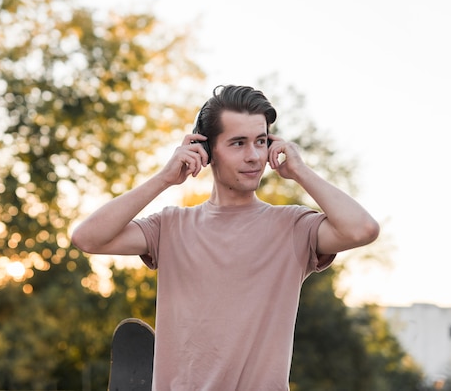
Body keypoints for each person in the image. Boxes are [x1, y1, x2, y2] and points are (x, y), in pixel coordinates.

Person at [71, 84, 380, 390]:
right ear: (206, 152)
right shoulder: (170, 226)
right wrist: (165, 178)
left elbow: (362, 229)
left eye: (260, 141)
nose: (254, 156)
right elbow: (88, 238)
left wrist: (300, 171)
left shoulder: (293, 227)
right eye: (238, 143)